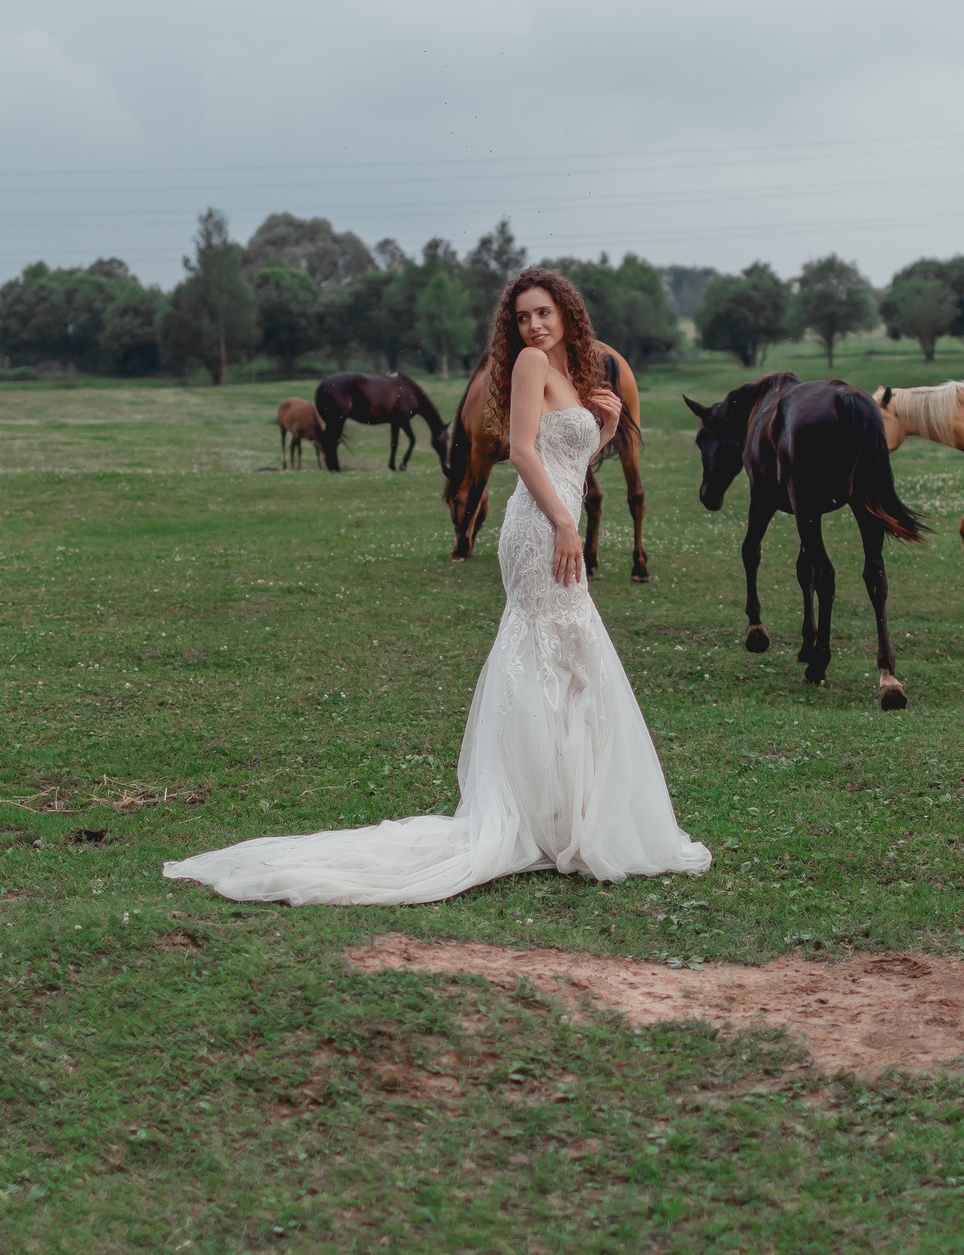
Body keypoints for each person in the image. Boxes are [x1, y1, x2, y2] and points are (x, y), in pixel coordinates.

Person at [164, 269, 711, 905]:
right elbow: (524, 451)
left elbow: (571, 460)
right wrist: (565, 524)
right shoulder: (532, 365)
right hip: (538, 529)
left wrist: (607, 428)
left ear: (567, 312)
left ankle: (564, 812)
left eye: (543, 313)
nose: (534, 326)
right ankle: (540, 813)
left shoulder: (575, 375)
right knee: (547, 651)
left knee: (571, 658)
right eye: (523, 317)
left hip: (555, 519)